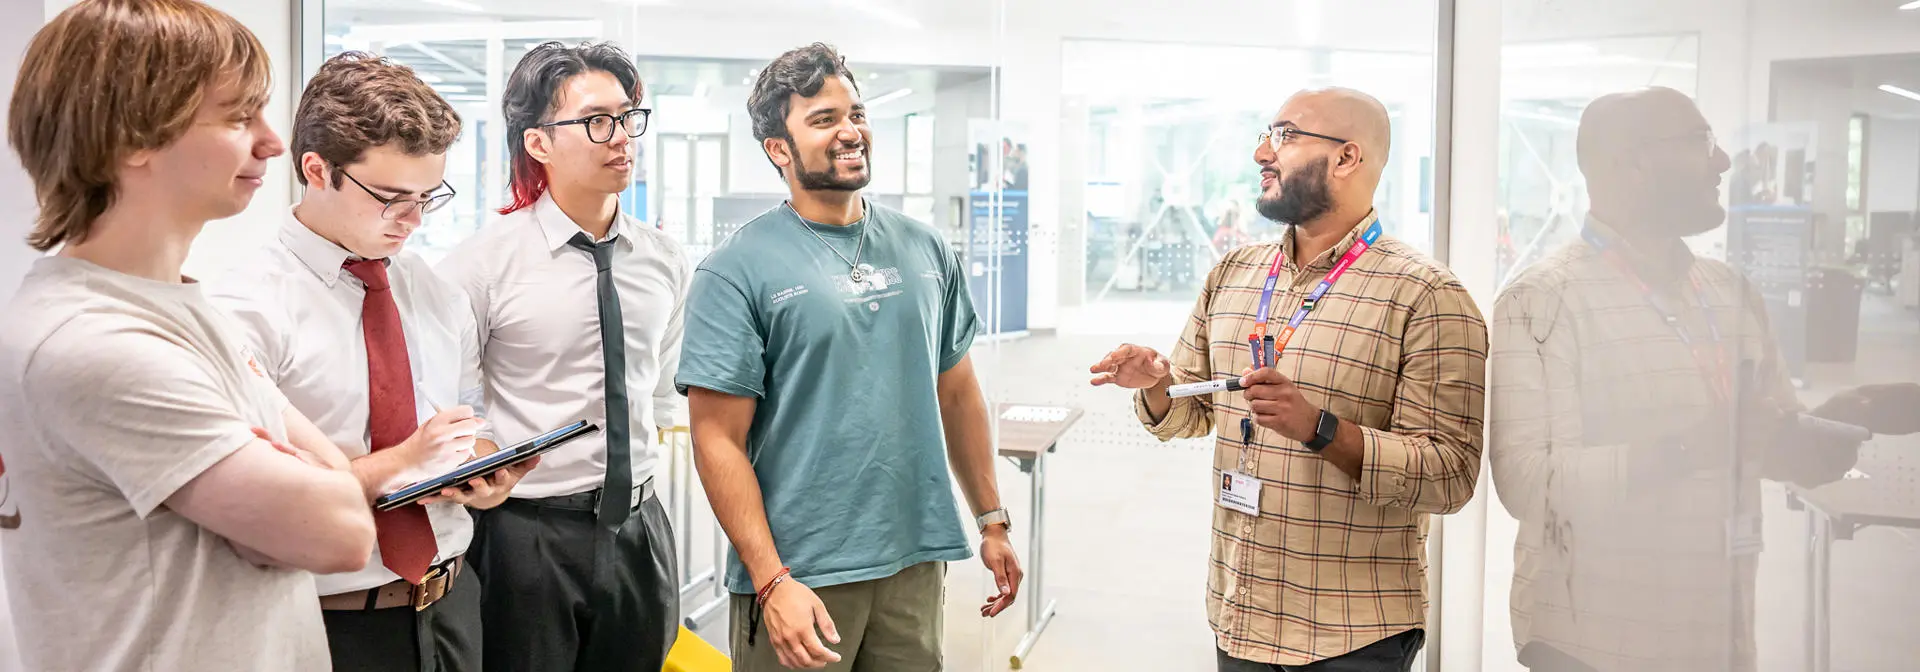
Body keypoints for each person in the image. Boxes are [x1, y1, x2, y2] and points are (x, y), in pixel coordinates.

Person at [0, 1, 377, 670]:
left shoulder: (176, 303)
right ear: (130, 137)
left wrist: (297, 503)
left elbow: (337, 484)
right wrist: (300, 500)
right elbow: (341, 531)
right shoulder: (93, 344)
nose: (273, 141)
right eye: (237, 117)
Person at [1485, 86, 1913, 672]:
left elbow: (1770, 446)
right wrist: (1686, 449)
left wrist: (1841, 418)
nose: (1723, 161)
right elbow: (1529, 482)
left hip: (1717, 635)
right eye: (1700, 141)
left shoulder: (1729, 292)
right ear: (1629, 162)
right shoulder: (1544, 299)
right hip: (1590, 645)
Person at [1089, 87, 1488, 671]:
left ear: (1347, 158)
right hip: (1240, 612)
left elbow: (1449, 475)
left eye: (1285, 135)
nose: (1260, 153)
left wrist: (1320, 429)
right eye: (1265, 134)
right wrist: (1156, 382)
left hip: (1353, 633)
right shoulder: (1235, 273)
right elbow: (1188, 412)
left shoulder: (1427, 296)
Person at [676, 42, 1023, 671]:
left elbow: (957, 391)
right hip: (799, 572)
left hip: (914, 558)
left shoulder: (924, 248)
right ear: (778, 150)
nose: (850, 131)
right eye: (823, 119)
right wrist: (771, 580)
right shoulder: (735, 271)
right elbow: (716, 440)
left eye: (855, 113)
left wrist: (991, 519)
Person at [206, 52, 524, 672]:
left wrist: (484, 470)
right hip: (328, 624)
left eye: (429, 196)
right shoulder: (244, 306)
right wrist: (404, 463)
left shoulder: (433, 291)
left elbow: (468, 421)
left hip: (452, 604)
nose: (413, 220)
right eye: (391, 197)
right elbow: (256, 504)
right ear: (317, 169)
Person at [437, 40, 684, 672]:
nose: (621, 136)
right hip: (527, 536)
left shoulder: (663, 259)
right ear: (538, 143)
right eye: (596, 121)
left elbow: (657, 396)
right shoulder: (481, 266)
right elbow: (453, 406)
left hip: (639, 526)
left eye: (629, 117)